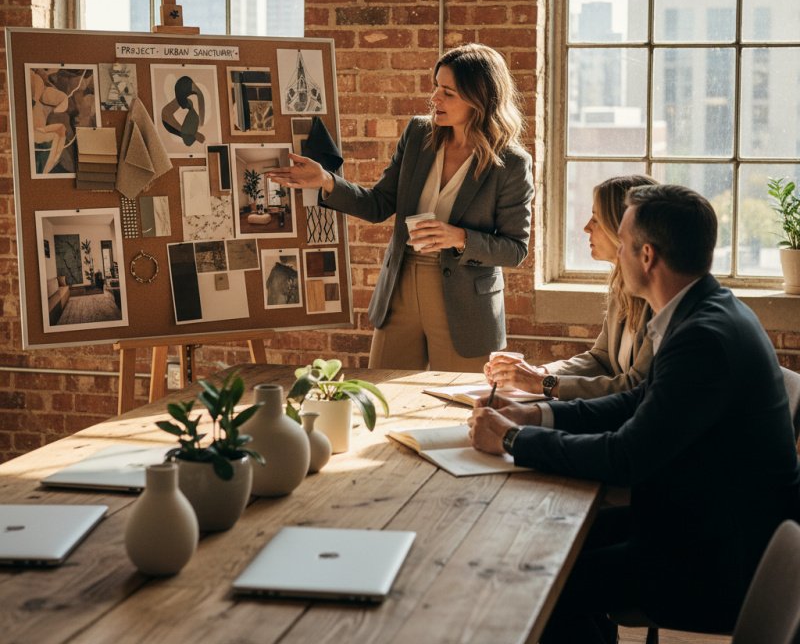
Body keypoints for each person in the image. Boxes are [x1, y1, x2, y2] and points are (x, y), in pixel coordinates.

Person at [469, 184, 800, 642]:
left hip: (716, 558)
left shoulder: (703, 338)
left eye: (621, 245)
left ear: (647, 256)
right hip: (697, 519)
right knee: (539, 543)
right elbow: (636, 400)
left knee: (537, 578)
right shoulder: (704, 310)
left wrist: (511, 440)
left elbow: (626, 456)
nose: (616, 255)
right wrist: (535, 416)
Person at [266, 42, 534, 371]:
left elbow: (515, 249)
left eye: (448, 92)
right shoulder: (419, 134)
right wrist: (326, 181)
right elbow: (379, 204)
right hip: (401, 288)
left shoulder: (511, 163)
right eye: (436, 86)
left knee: (457, 405)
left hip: (466, 304)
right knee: (379, 398)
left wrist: (459, 237)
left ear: (480, 99)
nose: (435, 98)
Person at [486, 174, 657, 400]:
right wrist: (539, 372)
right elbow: (601, 358)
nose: (587, 228)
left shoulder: (660, 300)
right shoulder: (621, 283)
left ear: (622, 226)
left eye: (596, 219)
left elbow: (637, 387)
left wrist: (543, 383)